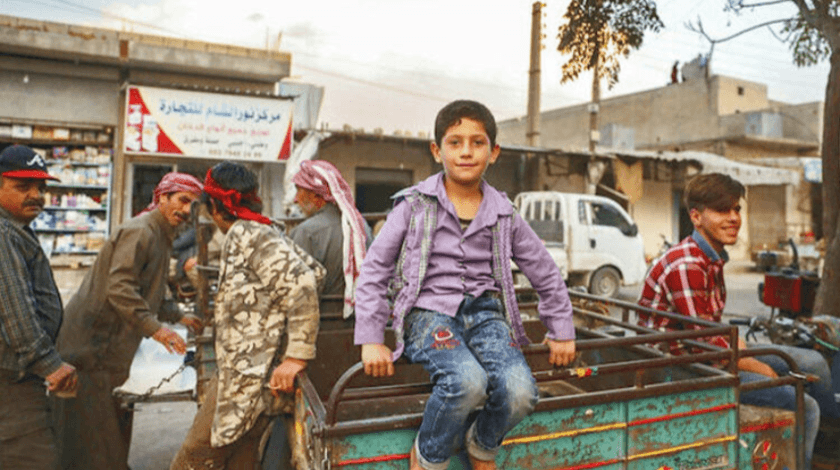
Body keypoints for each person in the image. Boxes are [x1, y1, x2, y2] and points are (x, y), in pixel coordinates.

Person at [354, 100, 576, 470]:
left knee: (521, 392)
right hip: (428, 315)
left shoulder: (505, 213)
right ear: (436, 150)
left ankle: (482, 444)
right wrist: (372, 338)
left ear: (494, 152)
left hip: (486, 315)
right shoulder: (413, 206)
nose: (466, 152)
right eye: (455, 142)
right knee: (468, 382)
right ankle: (430, 455)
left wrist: (561, 329)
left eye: (477, 142)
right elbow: (375, 269)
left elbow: (544, 271)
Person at [638, 172, 838, 470]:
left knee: (813, 363)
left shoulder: (710, 257)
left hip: (706, 353)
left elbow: (711, 329)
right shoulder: (688, 264)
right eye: (722, 210)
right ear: (696, 217)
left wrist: (749, 355)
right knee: (805, 406)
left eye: (736, 209)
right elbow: (708, 345)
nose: (733, 218)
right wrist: (763, 369)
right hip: (684, 369)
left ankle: (827, 445)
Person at [170, 161, 324, 469]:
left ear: (214, 206)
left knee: (195, 455)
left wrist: (296, 355)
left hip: (247, 374)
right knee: (242, 456)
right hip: (251, 370)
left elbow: (303, 282)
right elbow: (316, 272)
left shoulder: (248, 233)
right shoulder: (265, 230)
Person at [53, 172, 204, 470]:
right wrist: (158, 330)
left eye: (193, 204)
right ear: (163, 198)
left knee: (108, 422)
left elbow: (152, 289)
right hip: (91, 344)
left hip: (109, 348)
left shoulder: (161, 235)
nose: (187, 210)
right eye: (182, 200)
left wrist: (178, 316)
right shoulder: (141, 231)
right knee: (93, 429)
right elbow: (120, 288)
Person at [0, 145, 79, 469]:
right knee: (35, 459)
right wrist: (48, 363)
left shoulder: (16, 231)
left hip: (16, 374)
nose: (36, 195)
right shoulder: (3, 234)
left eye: (41, 188)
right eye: (23, 187)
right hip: (13, 380)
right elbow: (14, 308)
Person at [290, 159, 371, 316]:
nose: (295, 199)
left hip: (320, 326)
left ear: (315, 196)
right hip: (359, 325)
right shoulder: (362, 228)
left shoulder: (305, 232)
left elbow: (296, 291)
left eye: (298, 190)